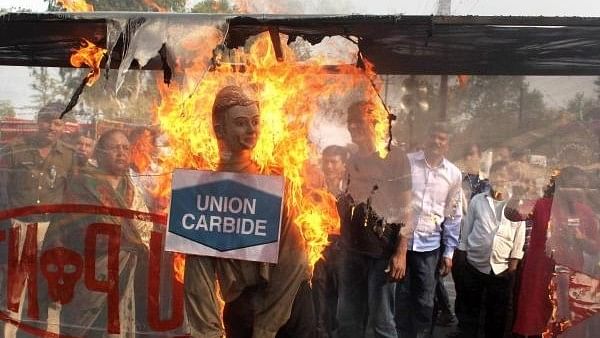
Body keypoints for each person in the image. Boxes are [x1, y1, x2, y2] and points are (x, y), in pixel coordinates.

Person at [183, 85, 313, 338]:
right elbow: (198, 276)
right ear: (219, 129)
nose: (252, 129)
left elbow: (294, 258)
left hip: (289, 303)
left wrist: (266, 326)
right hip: (243, 308)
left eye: (255, 121)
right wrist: (208, 332)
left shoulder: (276, 179)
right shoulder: (201, 191)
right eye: (241, 123)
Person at [42, 129, 152, 337]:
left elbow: (143, 230)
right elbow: (62, 228)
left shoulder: (133, 190)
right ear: (99, 153)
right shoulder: (82, 184)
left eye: (125, 148)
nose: (121, 153)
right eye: (114, 148)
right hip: (88, 276)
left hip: (125, 275)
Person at [336, 101, 412, 338]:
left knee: (382, 323)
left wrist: (401, 253)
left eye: (358, 121)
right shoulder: (351, 159)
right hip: (351, 251)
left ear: (375, 123)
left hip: (382, 253)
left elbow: (408, 208)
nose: (352, 126)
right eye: (350, 121)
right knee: (347, 320)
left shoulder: (395, 157)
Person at [0, 102, 75, 336]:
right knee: (13, 291)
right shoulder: (15, 149)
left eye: (57, 122)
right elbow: (2, 190)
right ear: (37, 122)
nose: (50, 127)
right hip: (18, 226)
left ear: (63, 127)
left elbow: (71, 195)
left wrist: (62, 234)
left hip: (51, 231)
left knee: (45, 290)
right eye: (46, 121)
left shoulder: (69, 156)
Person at [512, 167, 599, 338]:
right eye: (575, 186)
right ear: (561, 186)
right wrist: (518, 193)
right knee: (536, 323)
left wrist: (579, 238)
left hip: (569, 281)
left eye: (584, 187)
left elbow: (595, 247)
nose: (581, 192)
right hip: (539, 277)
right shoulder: (541, 204)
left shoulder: (585, 211)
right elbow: (512, 215)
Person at [395, 123, 462, 338]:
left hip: (430, 247)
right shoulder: (407, 162)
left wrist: (449, 253)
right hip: (401, 244)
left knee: (424, 301)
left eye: (442, 139)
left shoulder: (453, 174)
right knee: (400, 299)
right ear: (426, 138)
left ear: (448, 145)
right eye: (434, 136)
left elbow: (453, 215)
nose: (437, 141)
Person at [455, 160, 526, 338]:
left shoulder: (516, 205)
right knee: (471, 308)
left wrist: (514, 263)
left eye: (503, 176)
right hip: (474, 265)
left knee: (497, 315)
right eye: (495, 175)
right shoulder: (478, 201)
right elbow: (467, 230)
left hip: (501, 269)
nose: (499, 179)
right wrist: (463, 256)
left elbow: (519, 237)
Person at [311, 145, 349, 338]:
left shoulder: (351, 190)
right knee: (318, 288)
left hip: (344, 249)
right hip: (319, 245)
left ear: (343, 165)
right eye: (326, 161)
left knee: (341, 291)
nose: (329, 166)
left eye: (334, 162)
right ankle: (320, 330)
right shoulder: (314, 187)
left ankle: (337, 331)